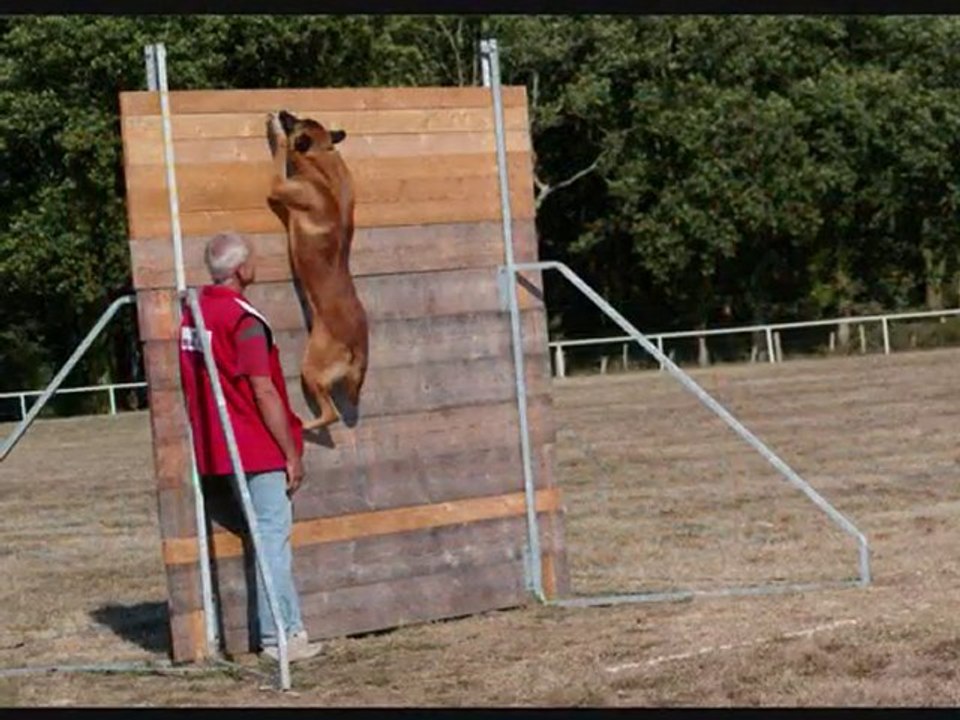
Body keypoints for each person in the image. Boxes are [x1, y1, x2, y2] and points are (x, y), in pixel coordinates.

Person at [178, 231, 322, 662]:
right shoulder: (243, 320)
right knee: (272, 539)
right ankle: (282, 635)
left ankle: (279, 632)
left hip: (213, 447)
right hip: (255, 448)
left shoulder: (193, 311)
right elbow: (264, 391)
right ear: (242, 270)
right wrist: (290, 451)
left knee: (263, 538)